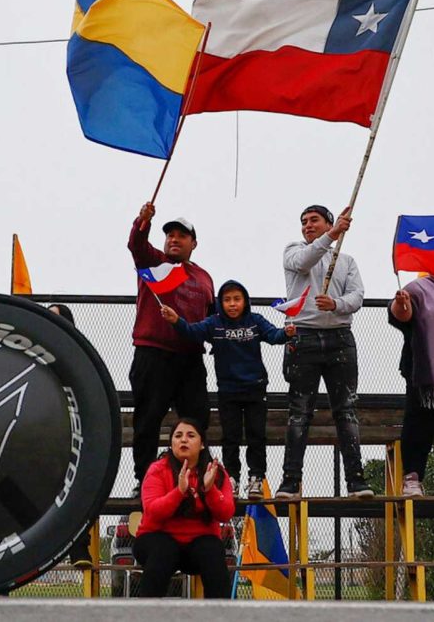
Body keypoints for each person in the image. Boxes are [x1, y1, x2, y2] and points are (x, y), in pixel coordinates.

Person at [162, 280, 296, 500]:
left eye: (237, 299)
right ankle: (232, 479)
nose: (232, 304)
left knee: (256, 435)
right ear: (220, 303)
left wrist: (287, 332)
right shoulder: (214, 324)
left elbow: (273, 336)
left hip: (255, 389)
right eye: (227, 300)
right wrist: (176, 320)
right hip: (228, 391)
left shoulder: (255, 321)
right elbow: (192, 331)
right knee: (230, 437)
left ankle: (256, 478)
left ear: (245, 301)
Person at [276, 205, 372, 500]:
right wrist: (332, 234)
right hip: (303, 338)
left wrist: (337, 305)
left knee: (345, 410)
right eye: (303, 221)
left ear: (329, 222)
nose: (307, 225)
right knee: (300, 412)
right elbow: (305, 262)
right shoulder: (293, 251)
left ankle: (356, 481)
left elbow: (357, 295)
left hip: (339, 339)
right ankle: (291, 481)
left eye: (313, 220)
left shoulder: (346, 261)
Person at [127, 203, 215, 496]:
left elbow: (213, 317)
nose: (174, 239)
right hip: (153, 352)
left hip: (190, 358)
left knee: (197, 419)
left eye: (181, 236)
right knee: (147, 420)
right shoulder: (154, 261)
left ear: (194, 243)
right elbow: (135, 244)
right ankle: (145, 482)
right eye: (170, 235)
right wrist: (143, 220)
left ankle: (197, 479)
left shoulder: (204, 277)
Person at [134, 418, 234, 598]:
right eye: (178, 436)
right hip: (156, 539)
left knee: (212, 550)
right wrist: (179, 491)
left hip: (198, 544)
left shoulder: (216, 472)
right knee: (163, 550)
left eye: (191, 435)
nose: (183, 440)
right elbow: (153, 512)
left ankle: (220, 615)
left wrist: (209, 490)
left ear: (202, 444)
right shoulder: (157, 469)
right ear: (171, 443)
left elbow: (226, 513)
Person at [47, 302, 95, 564]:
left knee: (82, 487)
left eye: (55, 317)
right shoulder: (33, 349)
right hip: (41, 436)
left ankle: (79, 548)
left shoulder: (79, 356)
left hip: (71, 437)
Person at [389, 278, 434, 497]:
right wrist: (402, 303)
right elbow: (399, 316)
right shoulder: (418, 288)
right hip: (424, 373)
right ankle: (412, 478)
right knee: (419, 424)